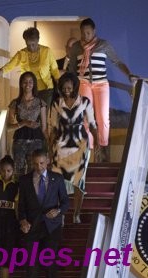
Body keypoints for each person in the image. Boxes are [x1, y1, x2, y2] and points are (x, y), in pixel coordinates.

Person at [68, 18, 137, 162]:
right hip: (84, 83)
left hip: (101, 84)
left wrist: (129, 74)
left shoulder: (104, 45)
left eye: (88, 33)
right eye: (83, 33)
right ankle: (88, 148)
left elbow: (117, 61)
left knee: (103, 117)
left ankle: (102, 147)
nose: (85, 36)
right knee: (85, 117)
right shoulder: (76, 47)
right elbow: (72, 69)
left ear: (94, 31)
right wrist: (71, 89)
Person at [18, 149, 69, 278]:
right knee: (31, 268)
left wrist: (59, 211)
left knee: (49, 262)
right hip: (32, 229)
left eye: (41, 163)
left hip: (51, 228)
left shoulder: (58, 179)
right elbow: (21, 207)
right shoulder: (24, 180)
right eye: (36, 164)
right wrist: (23, 220)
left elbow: (66, 202)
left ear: (47, 161)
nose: (39, 167)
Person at [49, 72, 97, 224]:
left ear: (75, 86)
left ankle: (76, 214)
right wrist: (50, 148)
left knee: (79, 181)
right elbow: (53, 128)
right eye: (64, 87)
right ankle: (61, 214)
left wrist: (98, 143)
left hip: (80, 145)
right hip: (61, 145)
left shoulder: (85, 102)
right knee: (58, 182)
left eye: (69, 87)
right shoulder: (56, 103)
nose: (66, 90)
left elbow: (92, 124)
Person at [0, 27, 60, 109]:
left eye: (33, 44)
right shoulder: (21, 53)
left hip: (46, 90)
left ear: (38, 40)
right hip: (29, 90)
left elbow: (55, 71)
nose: (31, 48)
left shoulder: (47, 51)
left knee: (43, 114)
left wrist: (60, 87)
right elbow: (8, 66)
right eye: (28, 45)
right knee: (31, 115)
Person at [7, 71, 48, 176]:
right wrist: (24, 123)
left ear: (34, 84)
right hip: (20, 140)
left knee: (35, 171)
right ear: (21, 84)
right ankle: (19, 192)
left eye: (30, 82)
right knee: (18, 170)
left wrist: (49, 144)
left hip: (37, 140)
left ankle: (33, 192)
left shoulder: (41, 102)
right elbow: (9, 127)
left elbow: (44, 127)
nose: (28, 84)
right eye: (25, 82)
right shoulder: (15, 103)